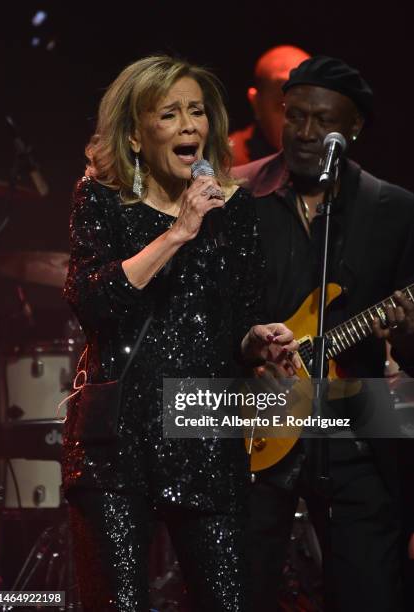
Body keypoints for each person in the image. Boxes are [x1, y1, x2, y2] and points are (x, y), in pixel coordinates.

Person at [61, 55, 299, 612]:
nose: (190, 126)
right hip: (117, 445)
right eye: (170, 114)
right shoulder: (101, 199)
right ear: (138, 136)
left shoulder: (234, 210)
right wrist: (177, 232)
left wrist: (256, 341)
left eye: (197, 112)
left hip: (204, 433)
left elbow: (236, 320)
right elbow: (92, 301)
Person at [233, 56, 414, 611]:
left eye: (323, 121)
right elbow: (200, 313)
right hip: (249, 419)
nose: (306, 133)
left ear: (354, 127)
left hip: (356, 421)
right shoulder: (239, 196)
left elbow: (411, 352)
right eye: (296, 116)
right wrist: (246, 345)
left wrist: (407, 334)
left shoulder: (394, 210)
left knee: (372, 591)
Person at [229, 45, 310, 165]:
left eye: (307, 105)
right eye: (283, 106)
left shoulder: (331, 157)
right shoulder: (226, 162)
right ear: (256, 104)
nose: (304, 128)